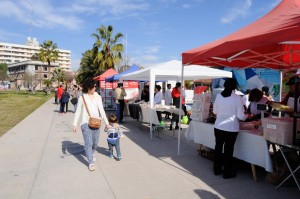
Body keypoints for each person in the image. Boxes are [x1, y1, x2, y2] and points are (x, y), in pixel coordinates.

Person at [213, 78, 252, 179]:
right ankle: (227, 172)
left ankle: (216, 170)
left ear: (224, 85)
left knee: (218, 148)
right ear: (234, 87)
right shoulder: (237, 98)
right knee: (228, 151)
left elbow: (215, 111)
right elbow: (240, 116)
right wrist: (247, 116)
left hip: (218, 126)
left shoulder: (218, 96)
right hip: (231, 128)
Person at [72, 78, 110, 171]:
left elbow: (102, 110)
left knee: (95, 142)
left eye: (95, 86)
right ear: (88, 87)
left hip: (97, 122)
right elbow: (78, 112)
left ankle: (92, 153)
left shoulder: (98, 97)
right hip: (85, 123)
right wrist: (74, 124)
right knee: (88, 143)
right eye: (93, 86)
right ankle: (90, 162)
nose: (94, 88)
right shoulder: (82, 98)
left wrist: (107, 123)